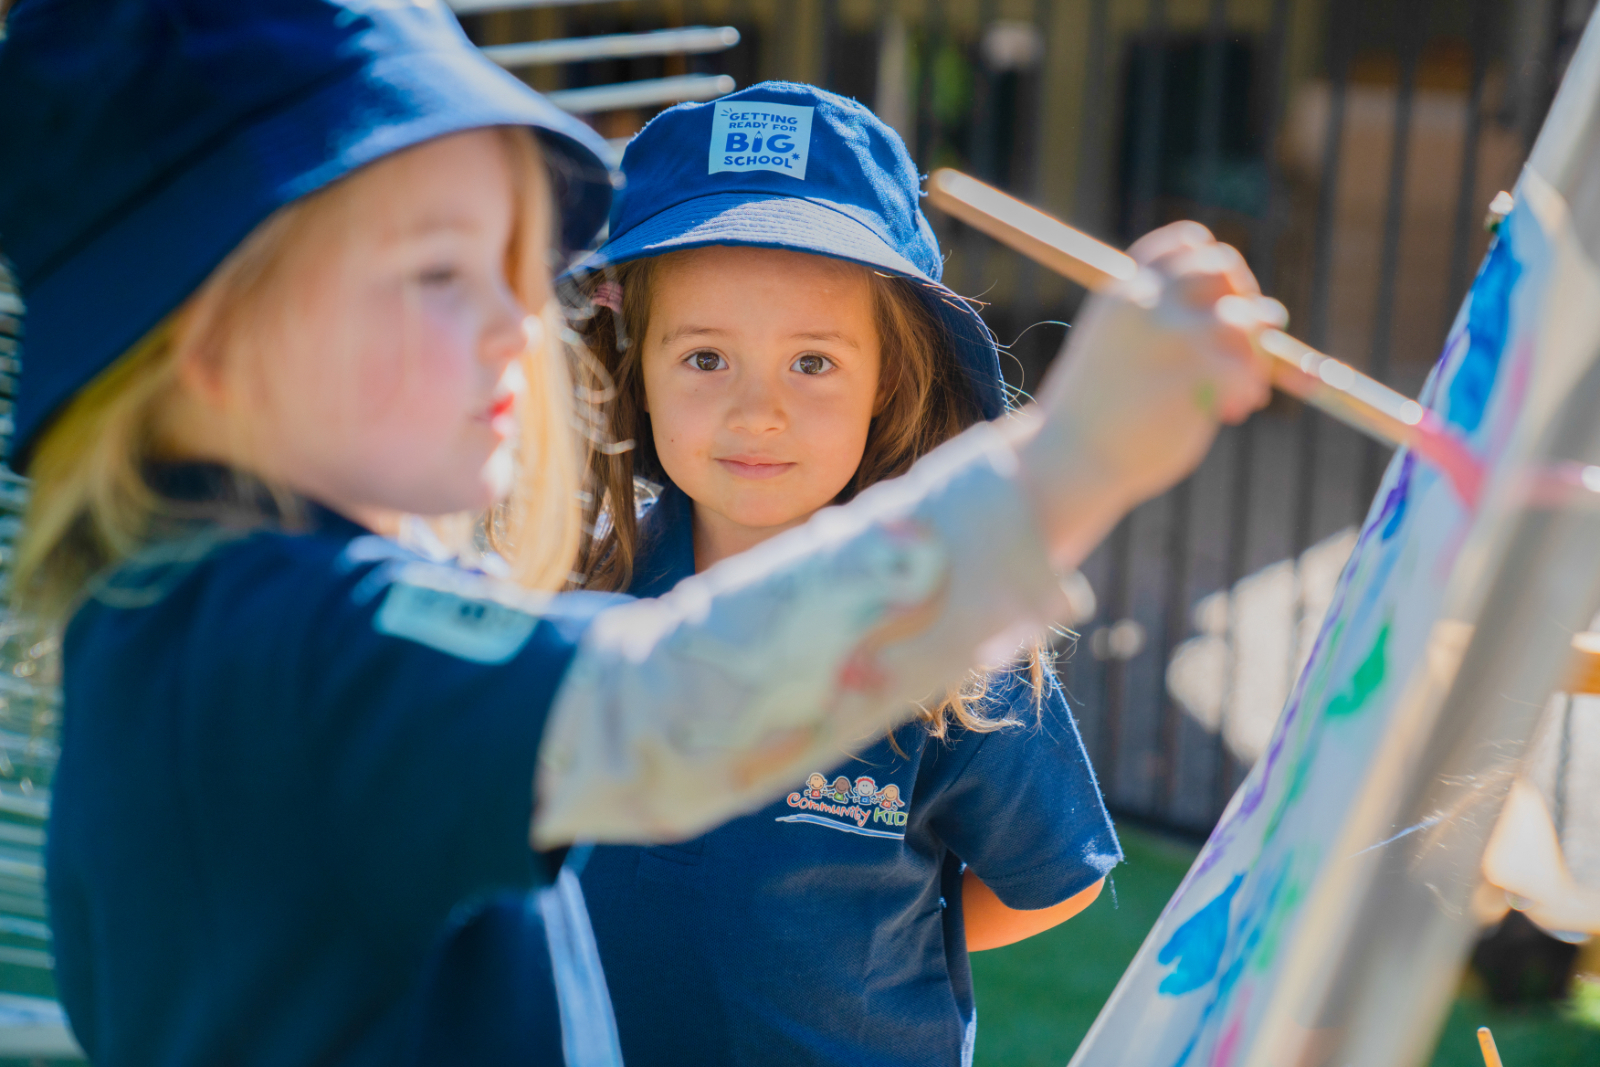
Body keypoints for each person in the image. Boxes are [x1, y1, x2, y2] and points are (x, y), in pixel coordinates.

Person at [0, 2, 1279, 1064]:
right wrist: (1066, 461)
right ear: (210, 339)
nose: (520, 318)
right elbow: (664, 707)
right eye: (442, 272)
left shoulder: (194, 612)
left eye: (519, 263)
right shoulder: (287, 639)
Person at [564, 83, 1118, 1067]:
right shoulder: (570, 594)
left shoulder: (953, 630)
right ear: (631, 362)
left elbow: (1050, 876)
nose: (757, 410)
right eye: (703, 356)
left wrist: (877, 946)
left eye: (812, 362)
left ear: (889, 380)